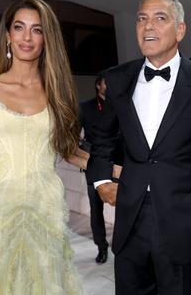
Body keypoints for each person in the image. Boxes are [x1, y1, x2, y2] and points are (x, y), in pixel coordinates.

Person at [86, 0, 191, 294]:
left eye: (160, 18)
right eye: (142, 19)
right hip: (130, 219)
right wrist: (101, 181)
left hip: (184, 220)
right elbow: (102, 138)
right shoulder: (118, 78)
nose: (148, 26)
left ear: (180, 30)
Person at [0, 0, 86, 294]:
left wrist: (120, 170)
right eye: (19, 27)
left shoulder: (57, 93)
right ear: (8, 35)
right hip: (1, 206)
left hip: (46, 207)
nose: (27, 37)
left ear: (46, 38)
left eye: (37, 30)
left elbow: (70, 152)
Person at [79, 73, 114, 264]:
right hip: (94, 163)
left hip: (117, 163)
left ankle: (123, 245)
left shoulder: (120, 104)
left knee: (126, 205)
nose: (109, 86)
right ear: (98, 86)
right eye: (106, 82)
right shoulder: (85, 107)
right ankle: (101, 246)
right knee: (96, 208)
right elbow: (73, 136)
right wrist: (84, 156)